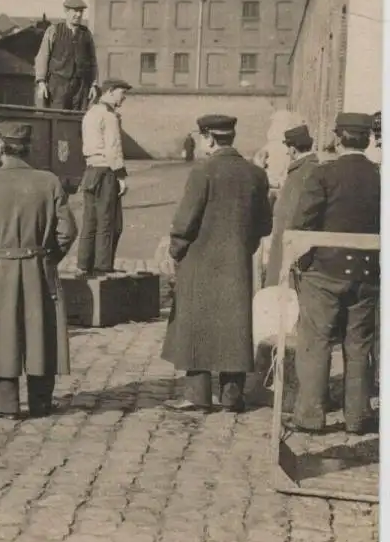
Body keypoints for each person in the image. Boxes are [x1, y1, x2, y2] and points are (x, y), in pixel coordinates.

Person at [0, 123, 78, 420]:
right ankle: (40, 402)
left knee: (2, 330)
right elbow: (68, 232)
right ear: (29, 148)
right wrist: (49, 259)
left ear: (1, 147)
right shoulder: (49, 181)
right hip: (38, 266)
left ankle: (6, 403)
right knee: (40, 331)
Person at [159, 114, 271, 413]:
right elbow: (264, 225)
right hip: (238, 263)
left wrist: (175, 250)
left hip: (201, 260)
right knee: (234, 326)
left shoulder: (203, 172)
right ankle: (233, 396)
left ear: (209, 138)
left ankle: (197, 396)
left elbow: (186, 221)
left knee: (196, 326)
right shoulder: (256, 174)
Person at [285, 112, 380, 436]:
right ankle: (357, 417)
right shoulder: (380, 177)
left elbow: (302, 223)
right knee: (359, 345)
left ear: (338, 138)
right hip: (367, 274)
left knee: (316, 342)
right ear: (368, 140)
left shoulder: (323, 174)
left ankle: (310, 416)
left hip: (325, 273)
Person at [76, 78, 132, 276]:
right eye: (121, 92)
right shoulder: (109, 115)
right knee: (108, 221)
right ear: (109, 91)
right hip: (107, 170)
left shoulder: (90, 113)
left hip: (91, 169)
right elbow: (113, 147)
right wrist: (121, 176)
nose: (124, 97)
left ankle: (84, 264)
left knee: (90, 220)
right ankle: (103, 266)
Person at [262, 124, 317, 288]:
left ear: (293, 150)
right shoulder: (307, 167)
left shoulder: (302, 171)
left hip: (289, 241)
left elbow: (295, 210)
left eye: (288, 149)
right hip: (287, 236)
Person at [34, 0, 99, 112]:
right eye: (75, 11)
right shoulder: (54, 30)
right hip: (58, 84)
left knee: (78, 118)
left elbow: (93, 61)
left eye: (81, 11)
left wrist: (94, 84)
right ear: (66, 11)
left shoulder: (86, 34)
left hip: (81, 86)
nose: (78, 15)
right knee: (57, 117)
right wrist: (41, 81)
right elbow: (43, 56)